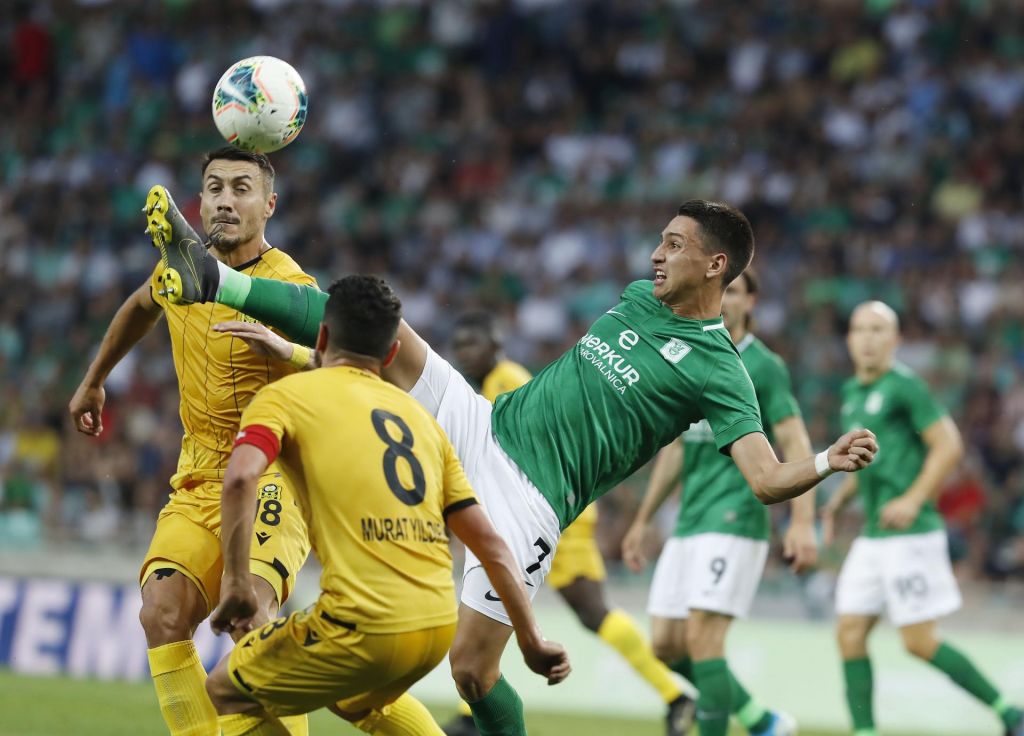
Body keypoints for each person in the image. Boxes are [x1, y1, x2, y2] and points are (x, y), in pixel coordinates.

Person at [146, 194, 879, 736]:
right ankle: (215, 280)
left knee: (473, 670)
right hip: (487, 424)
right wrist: (313, 357)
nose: (656, 254)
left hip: (532, 499)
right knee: (386, 329)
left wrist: (824, 460)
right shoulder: (637, 300)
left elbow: (764, 477)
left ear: (716, 265)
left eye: (675, 245)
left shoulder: (723, 371)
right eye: (660, 240)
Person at [203, 275, 568, 736]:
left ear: (321, 337)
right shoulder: (423, 422)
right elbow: (493, 546)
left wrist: (237, 583)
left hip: (363, 619)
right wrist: (532, 640)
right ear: (391, 354)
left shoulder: (285, 398)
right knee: (355, 700)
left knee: (226, 689)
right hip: (435, 626)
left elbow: (239, 479)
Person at [69, 148, 317, 736]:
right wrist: (94, 380)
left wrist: (289, 352)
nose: (226, 200)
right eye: (214, 188)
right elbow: (139, 306)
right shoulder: (182, 270)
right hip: (200, 476)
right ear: (199, 202)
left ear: (269, 205)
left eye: (241, 188)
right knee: (161, 612)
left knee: (251, 620)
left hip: (272, 474)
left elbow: (345, 369)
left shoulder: (289, 286)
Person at [441, 312, 695, 736]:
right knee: (579, 610)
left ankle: (675, 695)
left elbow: (516, 451)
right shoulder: (494, 381)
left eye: (473, 344)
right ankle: (674, 695)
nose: (464, 354)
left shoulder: (505, 379)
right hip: (543, 504)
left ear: (496, 345)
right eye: (459, 346)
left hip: (542, 507)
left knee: (583, 607)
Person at [621, 269, 816, 736]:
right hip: (690, 520)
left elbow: (793, 438)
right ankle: (760, 720)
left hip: (735, 517)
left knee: (705, 641)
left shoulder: (764, 366)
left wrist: (802, 520)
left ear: (751, 302)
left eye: (734, 291)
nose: (724, 299)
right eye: (719, 289)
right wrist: (643, 520)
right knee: (666, 643)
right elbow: (674, 450)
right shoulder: (692, 354)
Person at [823, 301, 1024, 736]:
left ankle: (1010, 713)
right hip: (875, 534)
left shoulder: (905, 387)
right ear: (849, 339)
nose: (868, 338)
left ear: (895, 340)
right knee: (849, 632)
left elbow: (948, 444)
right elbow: (868, 459)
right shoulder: (852, 394)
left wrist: (915, 499)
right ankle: (865, 732)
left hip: (910, 533)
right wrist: (840, 499)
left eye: (879, 330)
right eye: (860, 329)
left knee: (917, 641)